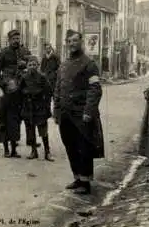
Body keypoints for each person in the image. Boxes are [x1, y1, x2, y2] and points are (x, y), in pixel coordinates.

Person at [54, 30, 105, 195]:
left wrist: (88, 111)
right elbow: (58, 88)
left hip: (81, 114)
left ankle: (85, 182)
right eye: (69, 41)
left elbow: (95, 89)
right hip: (66, 114)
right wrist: (56, 110)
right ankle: (77, 178)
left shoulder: (89, 64)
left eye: (75, 40)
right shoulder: (64, 64)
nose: (72, 44)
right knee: (70, 146)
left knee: (83, 147)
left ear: (81, 42)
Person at [0, 29, 31, 158]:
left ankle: (14, 148)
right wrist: (3, 84)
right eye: (14, 39)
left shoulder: (25, 52)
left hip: (20, 91)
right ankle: (6, 149)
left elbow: (32, 65)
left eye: (18, 38)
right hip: (7, 92)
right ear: (9, 40)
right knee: (4, 119)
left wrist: (25, 65)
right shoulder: (3, 53)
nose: (16, 41)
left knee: (16, 120)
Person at [20, 55, 54, 161]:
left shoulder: (42, 77)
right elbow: (20, 91)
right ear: (27, 66)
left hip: (40, 108)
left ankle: (47, 151)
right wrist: (26, 95)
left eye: (34, 64)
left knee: (43, 131)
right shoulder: (24, 78)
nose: (32, 67)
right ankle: (34, 151)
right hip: (29, 107)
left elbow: (49, 92)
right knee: (30, 131)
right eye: (30, 65)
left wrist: (46, 105)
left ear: (38, 65)